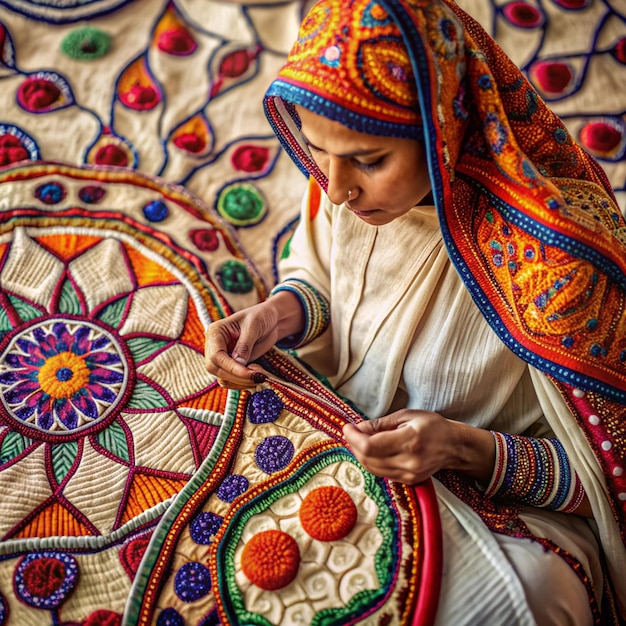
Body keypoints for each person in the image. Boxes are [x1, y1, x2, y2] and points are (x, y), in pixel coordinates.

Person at [205, 0, 626, 623]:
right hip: (338, 431)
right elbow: (323, 277)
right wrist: (281, 313)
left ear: (444, 132)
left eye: (370, 162)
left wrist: (463, 448)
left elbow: (606, 475)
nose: (337, 189)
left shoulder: (561, 267)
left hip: (494, 502)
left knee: (530, 599)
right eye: (320, 153)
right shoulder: (343, 180)